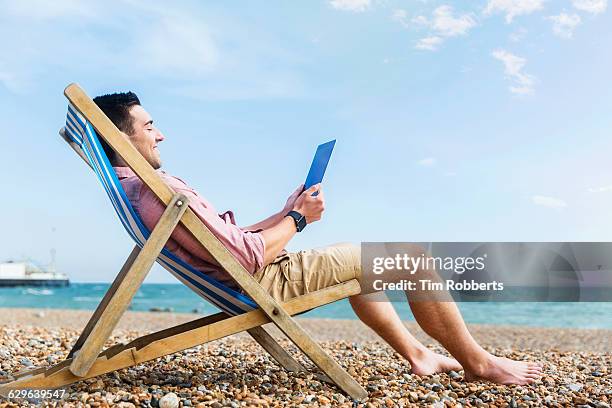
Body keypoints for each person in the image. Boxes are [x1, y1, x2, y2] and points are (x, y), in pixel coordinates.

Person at [92, 91, 542, 385]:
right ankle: (479, 363)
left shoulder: (137, 188)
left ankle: (418, 354)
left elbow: (222, 241)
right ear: (120, 135)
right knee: (413, 259)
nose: (160, 133)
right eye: (149, 126)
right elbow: (245, 256)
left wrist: (285, 213)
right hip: (263, 282)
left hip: (244, 277)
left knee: (368, 263)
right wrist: (300, 221)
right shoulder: (160, 190)